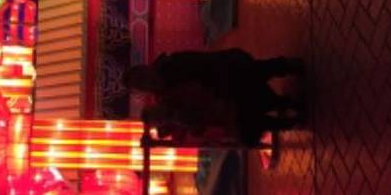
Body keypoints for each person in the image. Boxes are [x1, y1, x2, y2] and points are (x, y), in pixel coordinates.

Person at [124, 48, 305, 146]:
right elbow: (190, 126)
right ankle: (282, 106)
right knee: (243, 127)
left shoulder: (173, 64)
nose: (146, 83)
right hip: (221, 101)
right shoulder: (164, 100)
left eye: (142, 78)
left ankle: (284, 69)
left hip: (225, 75)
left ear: (146, 69)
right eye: (141, 85)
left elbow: (208, 64)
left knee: (243, 76)